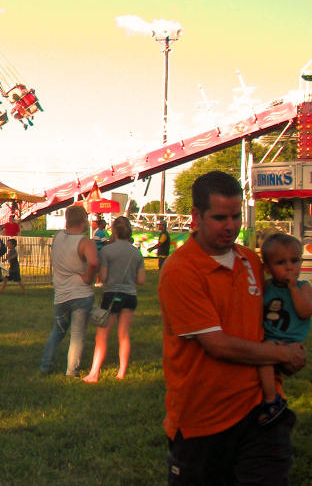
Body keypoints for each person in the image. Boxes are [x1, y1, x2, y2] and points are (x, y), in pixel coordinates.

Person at [158, 171, 305, 484]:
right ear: (196, 216)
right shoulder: (181, 270)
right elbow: (217, 344)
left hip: (261, 411)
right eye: (220, 217)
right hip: (203, 420)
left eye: (236, 215)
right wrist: (280, 355)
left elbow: (273, 320)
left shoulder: (250, 260)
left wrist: (291, 348)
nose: (231, 226)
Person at [82, 216, 146, 383]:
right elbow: (141, 280)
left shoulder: (107, 251)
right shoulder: (136, 252)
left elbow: (102, 276)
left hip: (112, 295)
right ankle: (121, 373)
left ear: (115, 231)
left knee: (102, 335)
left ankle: (94, 373)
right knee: (123, 335)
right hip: (130, 296)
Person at [256, 233, 311, 425]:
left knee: (265, 356)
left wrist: (293, 289)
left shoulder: (304, 287)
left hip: (290, 339)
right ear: (269, 269)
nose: (289, 267)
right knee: (265, 357)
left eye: (294, 261)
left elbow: (305, 312)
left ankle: (272, 400)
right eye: (281, 263)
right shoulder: (268, 287)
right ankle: (271, 396)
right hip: (270, 336)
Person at [39, 205, 98, 376]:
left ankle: (45, 366)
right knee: (77, 334)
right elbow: (93, 262)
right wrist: (88, 277)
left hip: (61, 293)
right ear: (83, 220)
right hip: (80, 294)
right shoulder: (85, 242)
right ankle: (71, 370)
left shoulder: (58, 237)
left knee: (57, 331)